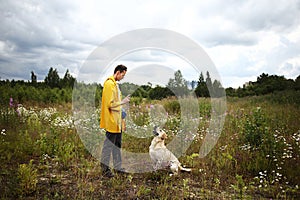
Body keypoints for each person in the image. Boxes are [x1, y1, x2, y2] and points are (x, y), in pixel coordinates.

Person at [100, 64, 130, 178]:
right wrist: (123, 102)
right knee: (108, 146)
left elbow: (114, 103)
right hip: (112, 122)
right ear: (118, 72)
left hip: (118, 122)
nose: (123, 77)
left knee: (117, 146)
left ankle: (118, 167)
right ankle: (105, 171)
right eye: (123, 75)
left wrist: (121, 112)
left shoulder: (114, 85)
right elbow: (110, 105)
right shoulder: (109, 84)